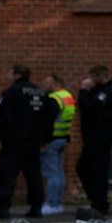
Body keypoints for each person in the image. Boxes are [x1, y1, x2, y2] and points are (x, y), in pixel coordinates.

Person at [0, 65, 54, 219]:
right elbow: (49, 117)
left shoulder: (12, 93)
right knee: (33, 176)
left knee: (6, 176)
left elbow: (3, 116)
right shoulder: (41, 94)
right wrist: (46, 138)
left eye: (11, 74)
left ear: (16, 75)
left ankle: (2, 208)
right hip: (33, 142)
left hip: (13, 141)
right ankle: (36, 207)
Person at [74, 66, 112, 220]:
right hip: (92, 137)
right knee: (84, 168)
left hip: (101, 137)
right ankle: (96, 199)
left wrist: (83, 90)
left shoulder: (109, 92)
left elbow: (88, 106)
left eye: (93, 77)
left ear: (100, 75)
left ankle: (100, 203)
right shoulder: (99, 90)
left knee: (97, 171)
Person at [41, 73, 77, 215]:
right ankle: (57, 203)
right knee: (59, 172)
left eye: (47, 82)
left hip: (52, 139)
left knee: (51, 173)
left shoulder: (54, 99)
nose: (45, 85)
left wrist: (43, 140)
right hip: (63, 137)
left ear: (55, 83)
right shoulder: (67, 96)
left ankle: (51, 203)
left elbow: (47, 121)